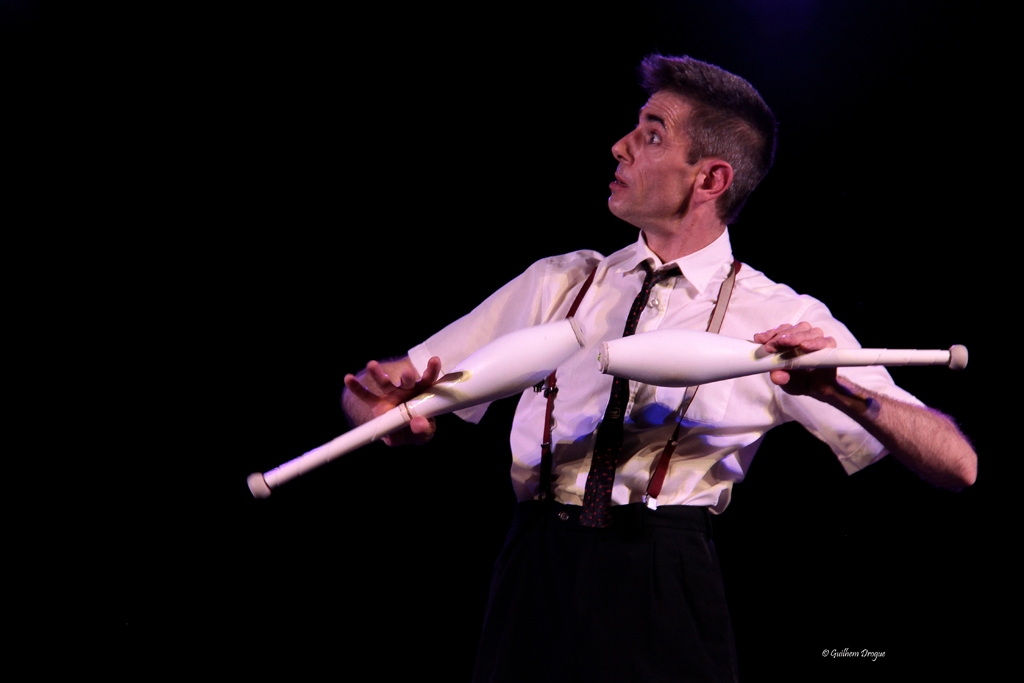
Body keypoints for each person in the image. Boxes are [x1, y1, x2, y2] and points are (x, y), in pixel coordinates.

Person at [341, 55, 977, 682]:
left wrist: (840, 392)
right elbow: (387, 392)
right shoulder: (560, 281)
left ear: (710, 179)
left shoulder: (777, 316)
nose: (619, 147)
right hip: (534, 568)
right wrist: (381, 409)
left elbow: (957, 464)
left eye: (650, 135)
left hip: (662, 580)